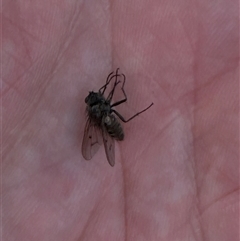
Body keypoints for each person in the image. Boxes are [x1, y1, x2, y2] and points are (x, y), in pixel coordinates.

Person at [3, 1, 239, 240]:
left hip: (108, 122)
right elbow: (107, 102)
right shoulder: (100, 108)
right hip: (110, 124)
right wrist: (115, 87)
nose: (95, 94)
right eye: (95, 96)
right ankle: (129, 114)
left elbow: (105, 96)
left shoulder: (98, 105)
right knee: (117, 107)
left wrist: (113, 84)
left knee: (114, 105)